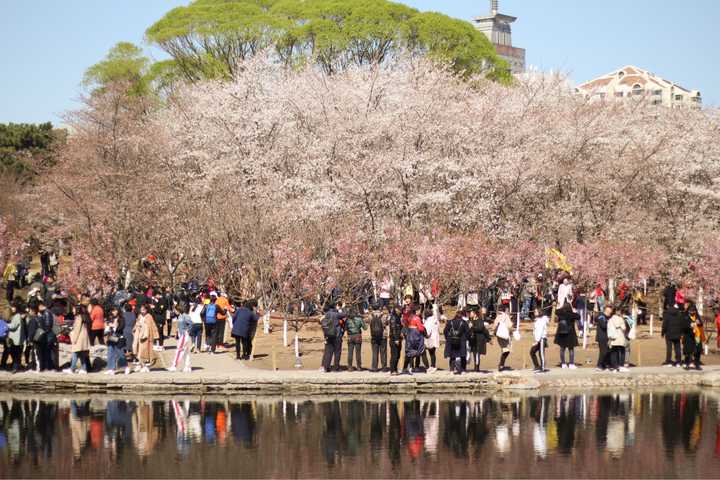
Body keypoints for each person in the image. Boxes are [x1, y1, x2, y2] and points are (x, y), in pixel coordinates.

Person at [64, 305, 91, 374]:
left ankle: (72, 369)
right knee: (82, 354)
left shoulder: (78, 317)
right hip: (83, 337)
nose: (72, 311)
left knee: (74, 353)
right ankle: (84, 369)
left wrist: (74, 339)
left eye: (73, 309)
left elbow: (77, 329)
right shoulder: (83, 316)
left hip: (79, 337)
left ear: (77, 310)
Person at [554, 297, 580, 369]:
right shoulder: (572, 314)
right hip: (570, 334)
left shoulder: (560, 313)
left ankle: (563, 363)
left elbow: (556, 311)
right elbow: (578, 316)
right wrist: (574, 311)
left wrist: (561, 307)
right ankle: (571, 363)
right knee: (571, 349)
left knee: (562, 349)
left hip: (562, 334)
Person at [132, 304, 159, 372]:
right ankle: (140, 365)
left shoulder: (149, 316)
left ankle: (144, 366)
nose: (142, 311)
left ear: (147, 310)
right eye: (141, 310)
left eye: (144, 310)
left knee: (144, 351)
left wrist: (155, 335)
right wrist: (135, 328)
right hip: (138, 335)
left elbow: (152, 325)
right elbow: (136, 323)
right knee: (137, 349)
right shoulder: (139, 316)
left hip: (146, 336)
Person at [320, 303, 346, 373]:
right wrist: (341, 309)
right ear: (335, 307)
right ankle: (336, 368)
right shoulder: (336, 314)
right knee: (337, 352)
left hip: (328, 335)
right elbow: (345, 314)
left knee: (328, 352)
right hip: (337, 335)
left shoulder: (326, 314)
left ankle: (326, 367)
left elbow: (321, 321)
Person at [661, 296, 686, 367]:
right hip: (677, 333)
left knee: (669, 348)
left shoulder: (667, 313)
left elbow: (665, 324)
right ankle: (678, 361)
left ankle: (668, 361)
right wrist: (681, 332)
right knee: (677, 347)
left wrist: (663, 333)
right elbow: (681, 323)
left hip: (669, 333)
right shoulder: (679, 313)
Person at [105, 307, 130, 375]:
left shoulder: (121, 318)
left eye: (115, 310)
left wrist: (113, 326)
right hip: (111, 336)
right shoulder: (111, 318)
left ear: (118, 311)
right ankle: (111, 368)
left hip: (118, 337)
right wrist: (108, 327)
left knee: (120, 352)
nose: (114, 312)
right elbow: (108, 327)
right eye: (113, 311)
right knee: (110, 352)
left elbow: (121, 327)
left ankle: (126, 367)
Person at [169, 304, 193, 372]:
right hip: (181, 335)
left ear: (178, 310)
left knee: (179, 350)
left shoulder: (185, 316)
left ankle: (174, 366)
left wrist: (187, 330)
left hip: (184, 335)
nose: (174, 311)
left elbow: (191, 323)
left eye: (175, 310)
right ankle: (187, 366)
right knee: (186, 352)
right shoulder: (180, 316)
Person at [402, 306, 426, 375]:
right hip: (415, 336)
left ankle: (406, 368)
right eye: (419, 311)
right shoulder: (417, 318)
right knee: (418, 351)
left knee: (408, 352)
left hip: (409, 336)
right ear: (416, 311)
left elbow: (404, 323)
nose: (420, 312)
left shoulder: (409, 317)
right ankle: (411, 368)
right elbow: (421, 328)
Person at [35, 300, 57, 371]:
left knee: (47, 352)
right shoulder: (47, 312)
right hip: (49, 335)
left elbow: (48, 325)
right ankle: (49, 366)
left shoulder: (46, 313)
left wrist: (43, 332)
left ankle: (48, 367)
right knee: (48, 352)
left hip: (48, 335)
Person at [469, 308, 491, 372]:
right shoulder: (471, 320)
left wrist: (472, 327)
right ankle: (476, 367)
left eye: (471, 312)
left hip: (479, 340)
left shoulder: (479, 320)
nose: (470, 314)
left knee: (477, 354)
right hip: (473, 340)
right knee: (474, 354)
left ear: (475, 314)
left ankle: (477, 368)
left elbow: (480, 328)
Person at [5, 303, 25, 373]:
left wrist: (4, 325)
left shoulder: (17, 316)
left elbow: (13, 326)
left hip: (16, 338)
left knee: (15, 353)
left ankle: (15, 367)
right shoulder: (15, 315)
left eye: (14, 307)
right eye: (12, 307)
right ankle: (16, 365)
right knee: (14, 352)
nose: (12, 309)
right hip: (15, 338)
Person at [493, 305, 514, 371]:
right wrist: (512, 332)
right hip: (505, 335)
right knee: (507, 350)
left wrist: (494, 332)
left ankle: (501, 364)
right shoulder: (506, 316)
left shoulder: (498, 317)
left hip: (499, 335)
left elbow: (494, 326)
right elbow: (509, 325)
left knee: (504, 349)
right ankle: (501, 364)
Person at [369, 305, 388, 372]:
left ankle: (374, 367)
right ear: (380, 308)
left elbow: (369, 322)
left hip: (374, 336)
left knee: (374, 352)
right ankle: (384, 367)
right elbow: (387, 323)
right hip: (383, 336)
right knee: (383, 352)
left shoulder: (370, 316)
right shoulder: (384, 316)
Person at [684, 306, 705, 371]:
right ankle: (687, 364)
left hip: (697, 336)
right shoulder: (686, 317)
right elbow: (683, 326)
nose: (692, 312)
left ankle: (697, 364)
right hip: (689, 336)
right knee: (689, 351)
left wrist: (699, 323)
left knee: (698, 350)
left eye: (694, 311)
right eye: (691, 311)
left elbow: (701, 324)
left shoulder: (697, 317)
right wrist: (690, 326)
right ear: (689, 311)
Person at [530, 308, 549, 373]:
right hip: (537, 339)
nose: (534, 312)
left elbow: (540, 331)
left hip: (541, 339)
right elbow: (536, 330)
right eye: (534, 311)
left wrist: (537, 341)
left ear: (539, 312)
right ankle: (537, 366)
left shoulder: (542, 320)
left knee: (541, 353)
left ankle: (542, 368)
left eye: (536, 311)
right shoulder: (537, 320)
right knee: (532, 352)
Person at [422, 307, 440, 373]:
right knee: (432, 353)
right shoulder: (435, 320)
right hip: (435, 337)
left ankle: (429, 367)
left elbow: (427, 331)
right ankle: (433, 366)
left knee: (424, 352)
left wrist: (424, 334)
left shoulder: (428, 321)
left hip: (429, 338)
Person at [595, 306, 613, 371]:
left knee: (608, 351)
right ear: (605, 311)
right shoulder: (601, 317)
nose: (609, 313)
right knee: (603, 352)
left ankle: (604, 365)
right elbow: (603, 325)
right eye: (608, 312)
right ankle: (599, 365)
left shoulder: (608, 317)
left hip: (607, 337)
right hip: (602, 337)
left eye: (610, 312)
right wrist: (610, 324)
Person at [388, 306, 403, 375]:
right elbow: (393, 328)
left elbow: (399, 328)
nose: (400, 311)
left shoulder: (398, 317)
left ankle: (395, 369)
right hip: (394, 339)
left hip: (398, 338)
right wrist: (396, 339)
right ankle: (392, 370)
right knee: (394, 354)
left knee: (398, 355)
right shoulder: (393, 317)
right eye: (399, 310)